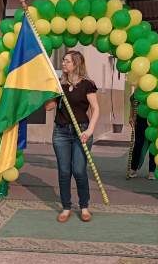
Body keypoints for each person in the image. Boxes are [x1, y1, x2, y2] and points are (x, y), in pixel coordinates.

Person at [45, 50, 100, 223]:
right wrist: (49, 93)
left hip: (81, 132)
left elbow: (95, 109)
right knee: (64, 171)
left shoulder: (87, 84)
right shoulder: (59, 85)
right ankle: (66, 207)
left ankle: (84, 206)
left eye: (67, 61)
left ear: (76, 64)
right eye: (63, 60)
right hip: (61, 132)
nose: (63, 63)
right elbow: (49, 107)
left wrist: (89, 130)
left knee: (78, 170)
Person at [127, 94, 156, 179]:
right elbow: (133, 102)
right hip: (140, 119)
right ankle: (133, 169)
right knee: (138, 145)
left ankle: (152, 171)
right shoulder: (138, 92)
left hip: (154, 119)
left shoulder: (155, 90)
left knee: (153, 146)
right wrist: (131, 116)